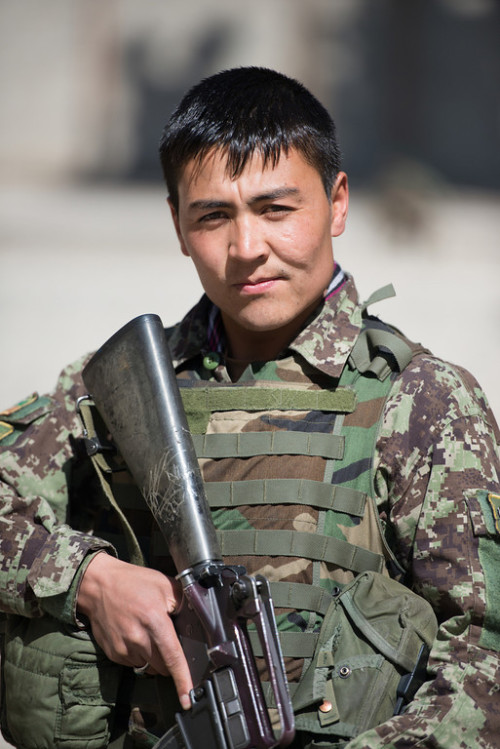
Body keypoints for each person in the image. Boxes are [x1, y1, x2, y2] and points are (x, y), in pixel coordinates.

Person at [0, 66, 499, 749]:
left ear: (338, 202)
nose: (247, 248)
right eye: (213, 216)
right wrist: (87, 577)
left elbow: (483, 660)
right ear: (178, 224)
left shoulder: (424, 401)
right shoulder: (118, 389)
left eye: (276, 209)